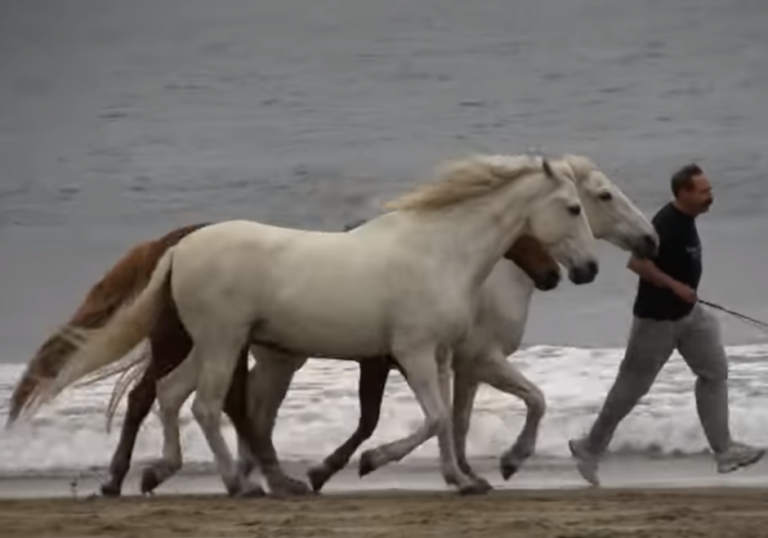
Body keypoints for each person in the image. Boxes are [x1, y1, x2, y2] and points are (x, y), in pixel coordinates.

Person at [568, 163, 765, 486]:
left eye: (710, 190)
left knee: (714, 372)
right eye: (703, 192)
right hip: (656, 321)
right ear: (683, 193)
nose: (710, 197)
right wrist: (674, 286)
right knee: (630, 391)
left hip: (689, 316)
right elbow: (637, 263)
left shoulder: (688, 220)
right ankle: (589, 448)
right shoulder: (666, 224)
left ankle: (724, 451)